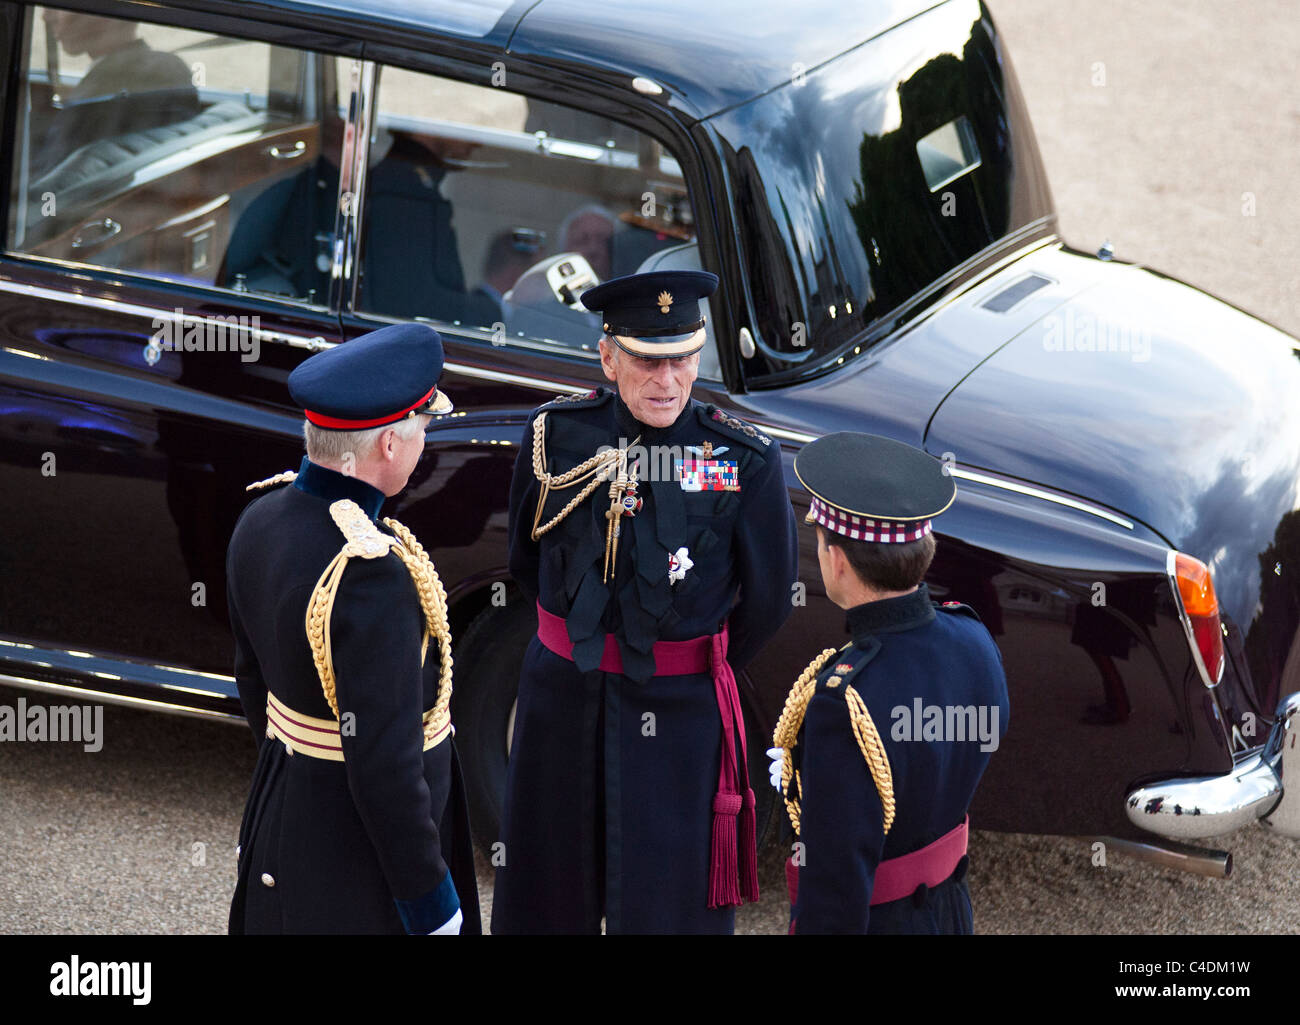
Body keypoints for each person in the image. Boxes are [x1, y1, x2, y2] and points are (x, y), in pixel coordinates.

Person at [493, 270, 798, 934]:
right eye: (647, 360)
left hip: (678, 720)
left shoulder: (740, 458)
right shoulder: (556, 436)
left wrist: (679, 658)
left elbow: (768, 600)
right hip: (562, 703)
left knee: (668, 907)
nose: (667, 379)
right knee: (544, 898)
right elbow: (525, 559)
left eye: (682, 358)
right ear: (607, 357)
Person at [226, 322, 479, 935]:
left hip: (285, 815)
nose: (423, 446)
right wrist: (431, 904)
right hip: (354, 865)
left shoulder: (261, 515)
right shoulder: (369, 574)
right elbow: (386, 768)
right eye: (420, 430)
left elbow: (253, 684)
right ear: (390, 445)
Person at [771, 432, 1009, 934]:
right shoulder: (973, 637)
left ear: (837, 560)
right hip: (950, 914)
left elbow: (833, 891)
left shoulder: (844, 702)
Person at [36, 9, 199, 173]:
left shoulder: (96, 95)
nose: (45, 16)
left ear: (105, 12)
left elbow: (49, 183)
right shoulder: (173, 67)